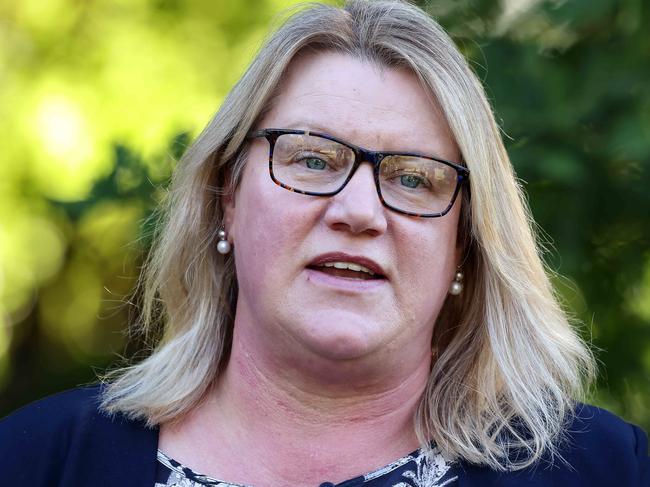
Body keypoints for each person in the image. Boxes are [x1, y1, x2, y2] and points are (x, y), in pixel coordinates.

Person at [1, 1, 648, 486]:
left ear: (465, 243)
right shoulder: (35, 461)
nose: (360, 211)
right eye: (313, 159)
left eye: (413, 177)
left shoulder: (609, 471)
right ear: (228, 196)